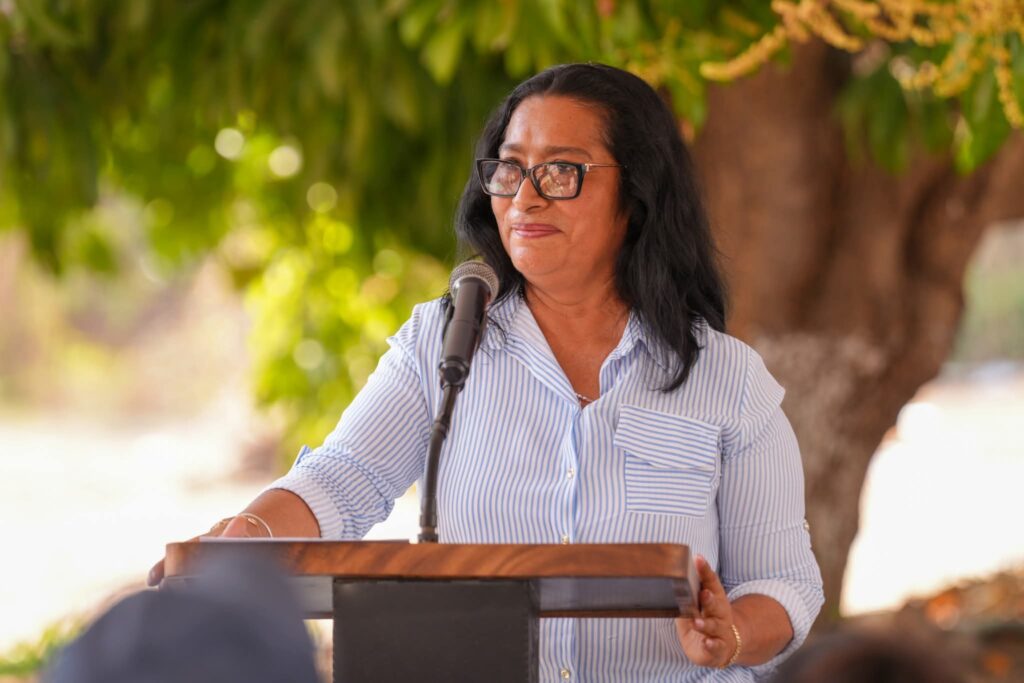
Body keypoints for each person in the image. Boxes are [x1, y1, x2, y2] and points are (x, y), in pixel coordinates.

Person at [150, 62, 823, 680]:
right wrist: (250, 536)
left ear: (638, 191)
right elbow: (343, 480)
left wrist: (732, 632)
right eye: (510, 169)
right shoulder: (443, 343)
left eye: (561, 171)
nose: (525, 198)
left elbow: (785, 583)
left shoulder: (726, 378)